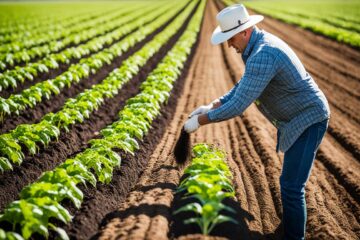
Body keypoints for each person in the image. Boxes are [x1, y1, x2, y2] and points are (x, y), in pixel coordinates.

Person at [184, 4, 330, 240]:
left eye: (230, 38)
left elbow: (240, 104)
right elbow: (244, 87)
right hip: (297, 117)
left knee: (292, 186)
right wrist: (212, 105)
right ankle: (290, 227)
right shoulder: (257, 48)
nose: (229, 44)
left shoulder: (264, 54)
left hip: (309, 118)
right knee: (289, 183)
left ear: (244, 32)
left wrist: (200, 121)